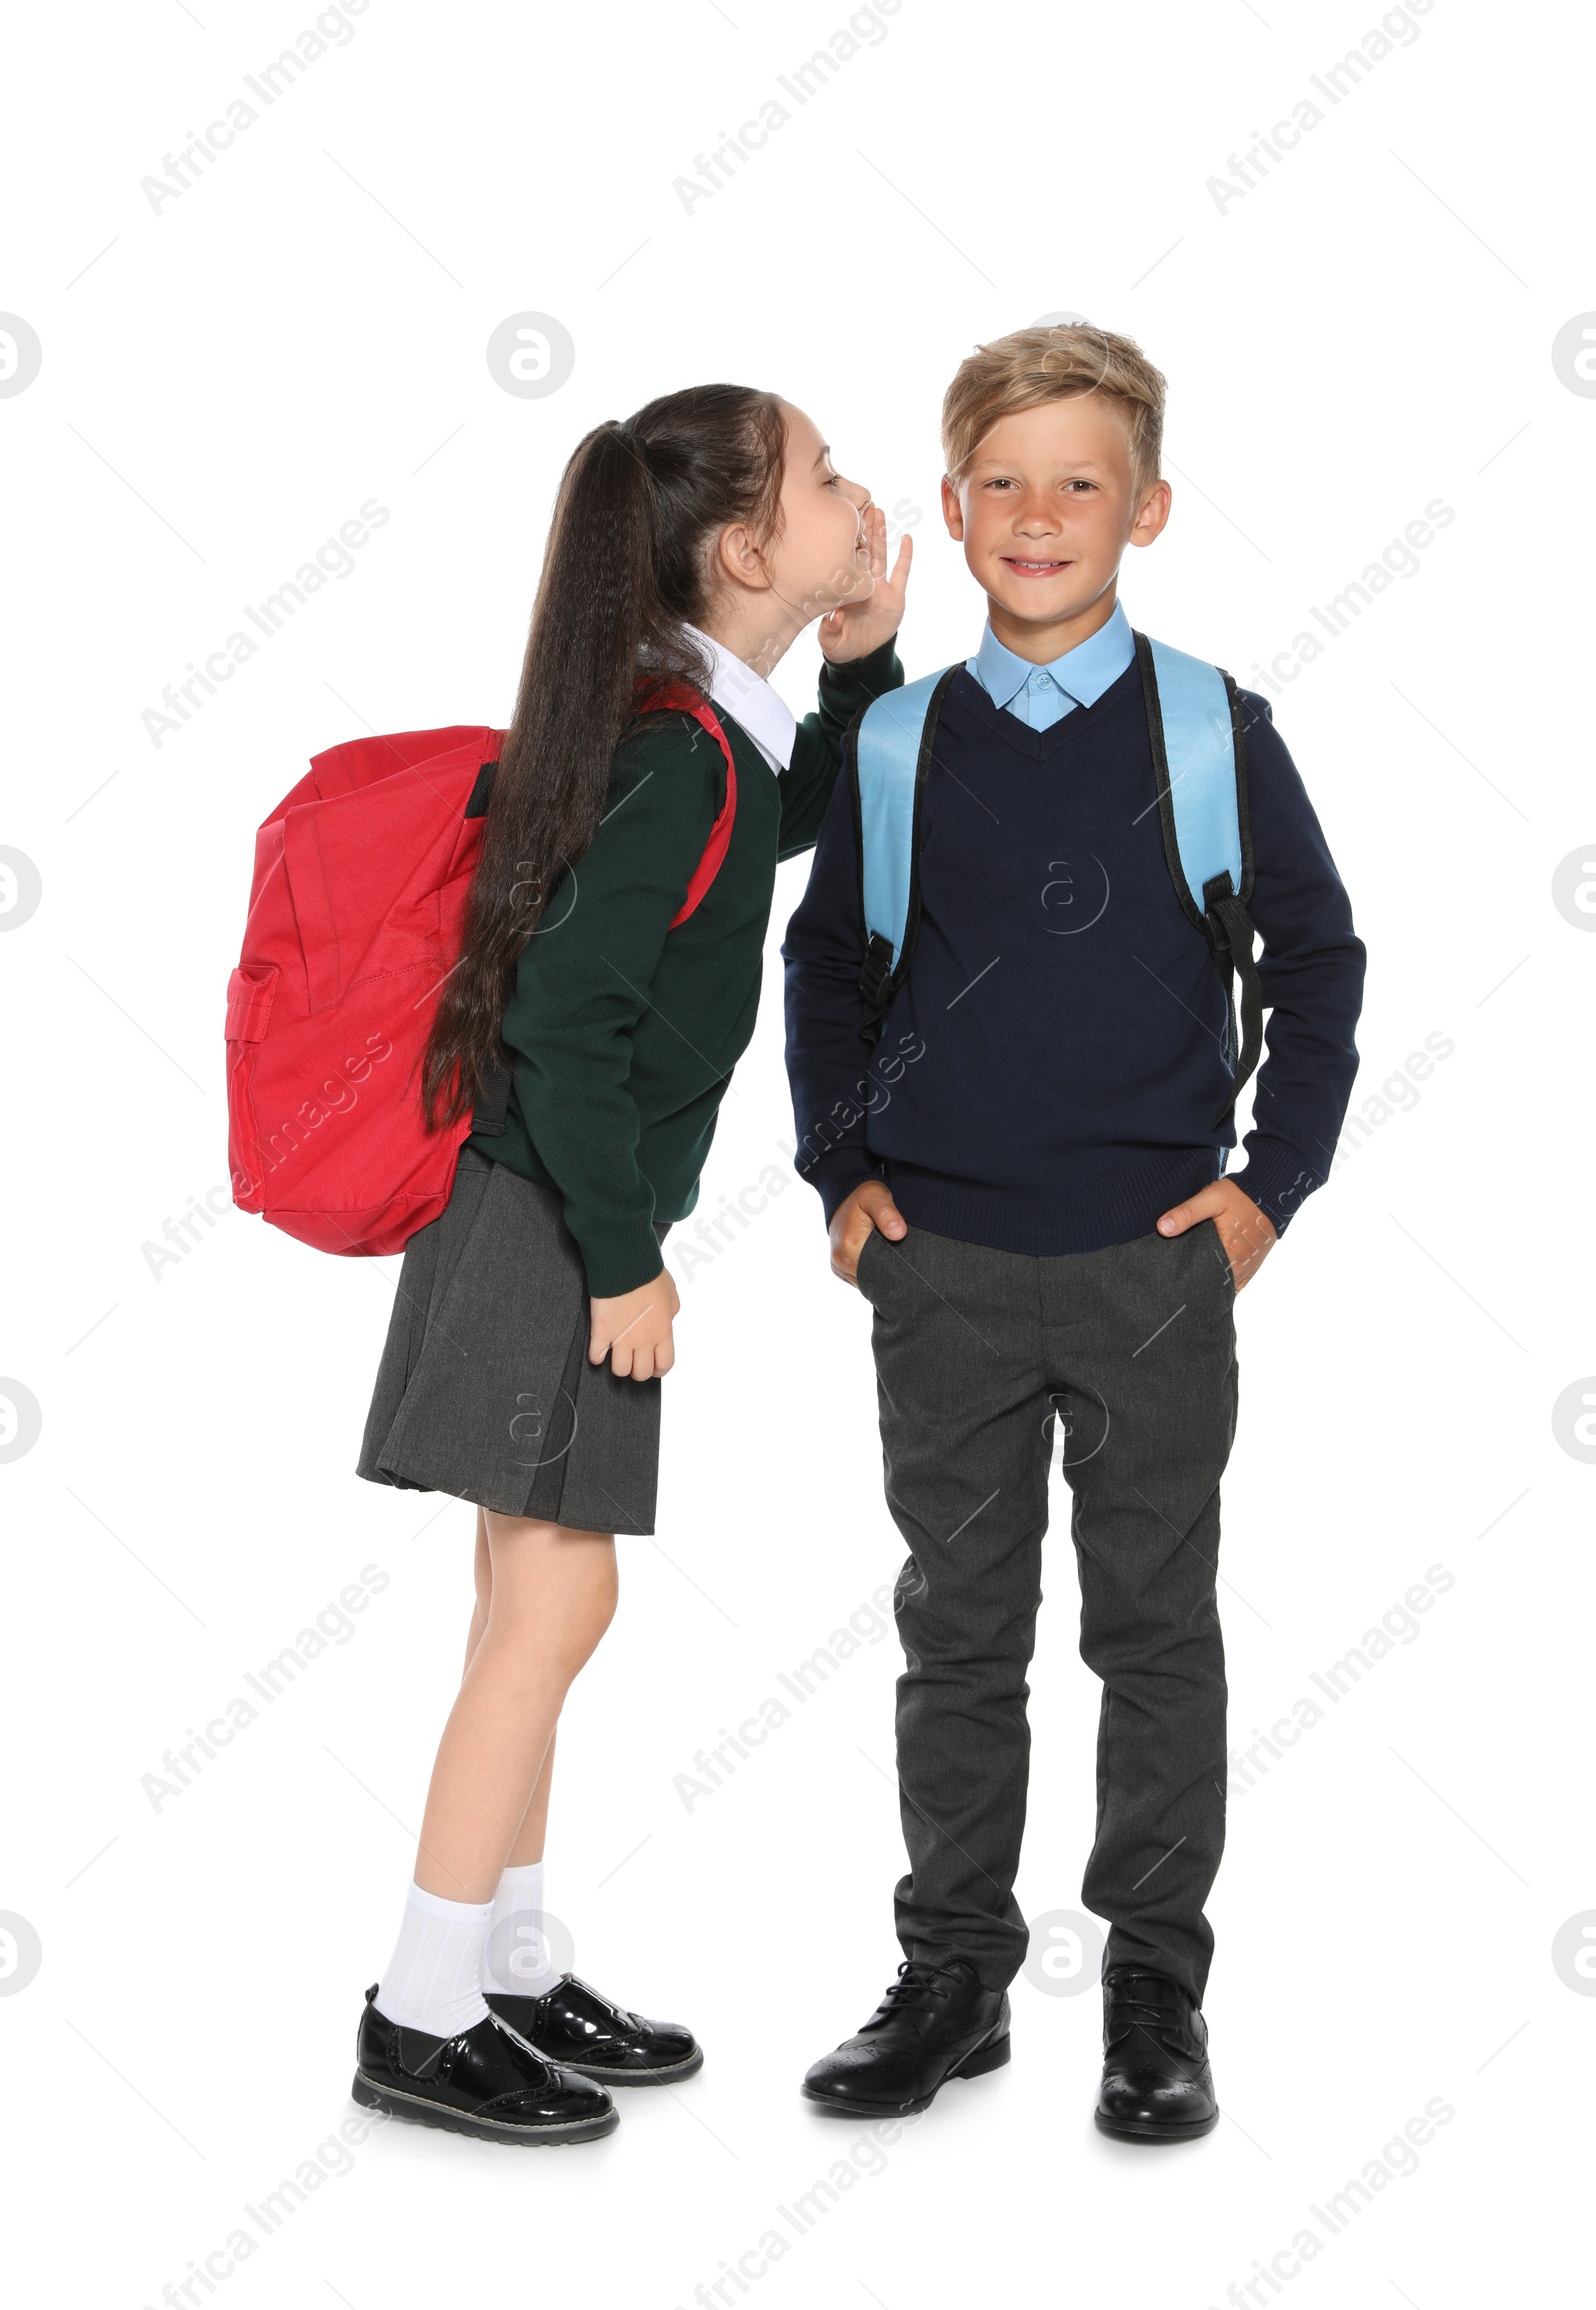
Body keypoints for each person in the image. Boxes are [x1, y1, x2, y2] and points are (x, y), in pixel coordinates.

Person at [783, 325, 1365, 2140]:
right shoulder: (894, 743)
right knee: (959, 1630)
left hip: (1150, 1271)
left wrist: (1269, 1191)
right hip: (939, 1267)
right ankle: (953, 1970)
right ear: (951, 512)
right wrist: (840, 1173)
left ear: (1150, 508)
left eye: (1082, 481)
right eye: (1005, 483)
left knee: (1153, 1631)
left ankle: (1151, 1986)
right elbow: (827, 967)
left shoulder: (1211, 726)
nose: (1042, 516)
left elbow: (1322, 963)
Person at [351, 383, 909, 2144]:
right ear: (748, 548)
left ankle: (503, 1963)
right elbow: (561, 1025)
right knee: (562, 1603)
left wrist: (863, 663)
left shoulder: (702, 737)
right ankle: (420, 2011)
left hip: (539, 1219)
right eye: (823, 479)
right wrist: (621, 1264)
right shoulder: (675, 748)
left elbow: (790, 821)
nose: (854, 493)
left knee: (526, 1600)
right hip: (546, 1225)